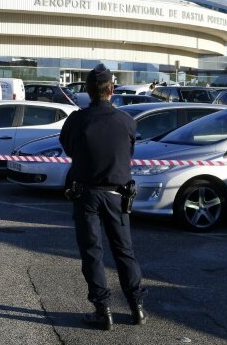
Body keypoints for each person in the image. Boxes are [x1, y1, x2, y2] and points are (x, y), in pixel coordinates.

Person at [59, 63, 147, 331]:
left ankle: (103, 310)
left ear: (88, 90)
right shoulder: (127, 121)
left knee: (92, 253)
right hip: (117, 195)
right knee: (124, 252)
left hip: (86, 194)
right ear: (113, 90)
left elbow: (68, 147)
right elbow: (127, 153)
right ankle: (136, 307)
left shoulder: (77, 120)